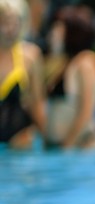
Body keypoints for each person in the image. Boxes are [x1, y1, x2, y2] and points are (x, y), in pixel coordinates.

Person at [44, 5, 95, 149]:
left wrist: (68, 145)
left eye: (58, 29)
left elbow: (87, 108)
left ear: (73, 32)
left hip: (81, 147)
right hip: (64, 149)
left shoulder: (86, 62)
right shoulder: (65, 63)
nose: (53, 33)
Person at [0, 0, 46, 149]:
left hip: (18, 142)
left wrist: (46, 138)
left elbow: (37, 103)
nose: (10, 29)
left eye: (15, 23)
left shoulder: (30, 57)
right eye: (5, 23)